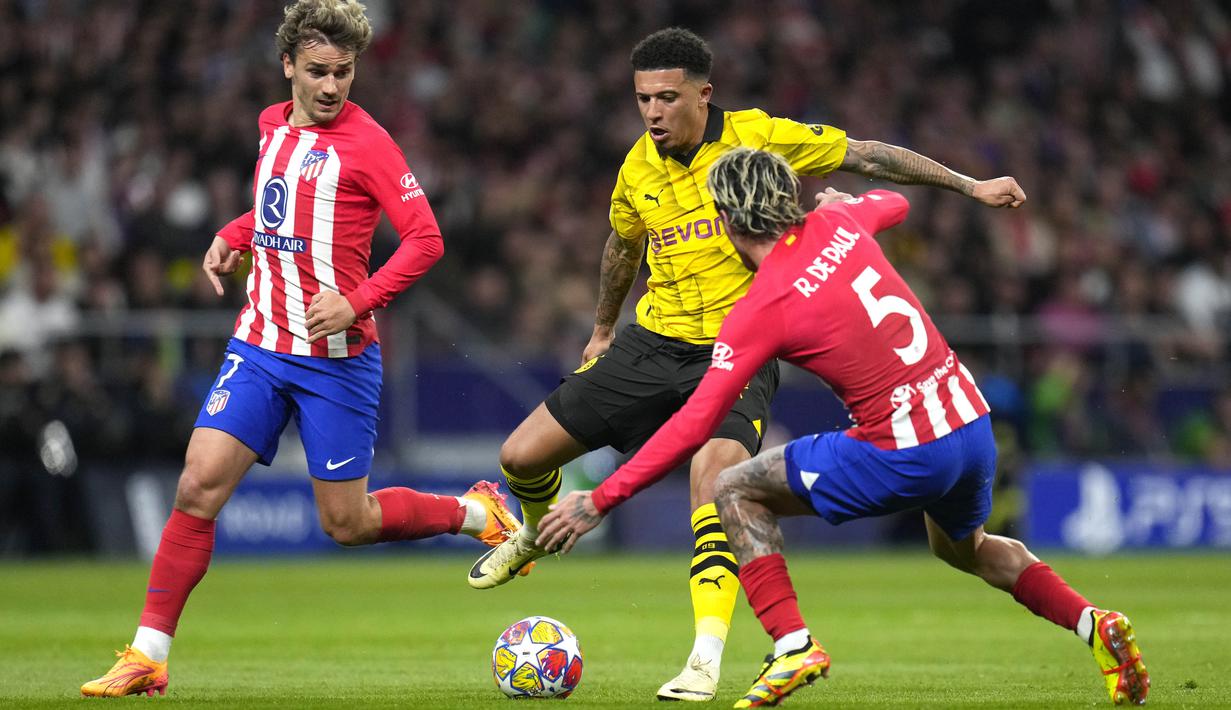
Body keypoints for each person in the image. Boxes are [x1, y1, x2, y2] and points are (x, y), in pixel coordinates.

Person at [468, 26, 1026, 701]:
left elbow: (868, 158)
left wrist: (970, 186)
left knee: (716, 478)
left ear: (703, 95)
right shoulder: (635, 168)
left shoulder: (759, 135)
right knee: (521, 457)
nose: (651, 112)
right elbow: (622, 249)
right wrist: (602, 328)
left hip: (742, 346)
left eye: (667, 98)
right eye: (642, 98)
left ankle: (704, 659)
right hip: (653, 341)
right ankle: (530, 535)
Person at [537, 148, 1149, 708]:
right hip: (970, 423)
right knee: (964, 548)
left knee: (732, 488)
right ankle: (1092, 622)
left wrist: (602, 497)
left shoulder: (760, 307)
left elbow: (695, 421)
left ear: (727, 220)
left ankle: (792, 644)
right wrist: (841, 203)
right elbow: (897, 200)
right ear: (789, 199)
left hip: (907, 447)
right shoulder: (838, 224)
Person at [81, 0, 528, 697]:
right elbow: (277, 207)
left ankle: (477, 513)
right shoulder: (269, 125)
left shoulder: (370, 143)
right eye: (317, 71)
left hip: (337, 359)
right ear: (287, 64)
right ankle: (148, 654)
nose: (330, 87)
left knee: (346, 523)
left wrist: (357, 301)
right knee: (197, 486)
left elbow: (426, 239)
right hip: (260, 341)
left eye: (343, 73)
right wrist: (235, 234)